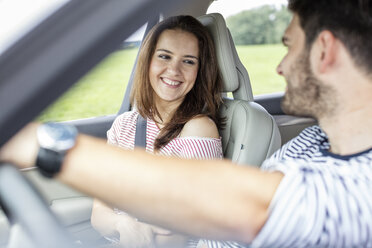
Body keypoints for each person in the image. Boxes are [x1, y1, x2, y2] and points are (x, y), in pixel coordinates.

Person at [1, 0, 371, 247]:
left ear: (324, 51)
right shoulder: (305, 145)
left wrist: (40, 142)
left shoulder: (360, 186)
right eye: (163, 57)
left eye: (289, 46)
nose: (279, 67)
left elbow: (247, 205)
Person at [90, 15, 225, 248]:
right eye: (164, 56)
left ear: (200, 71)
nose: (174, 70)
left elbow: (183, 227)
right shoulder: (124, 124)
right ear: (147, 61)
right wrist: (124, 225)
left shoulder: (197, 129)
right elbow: (99, 212)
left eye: (189, 61)